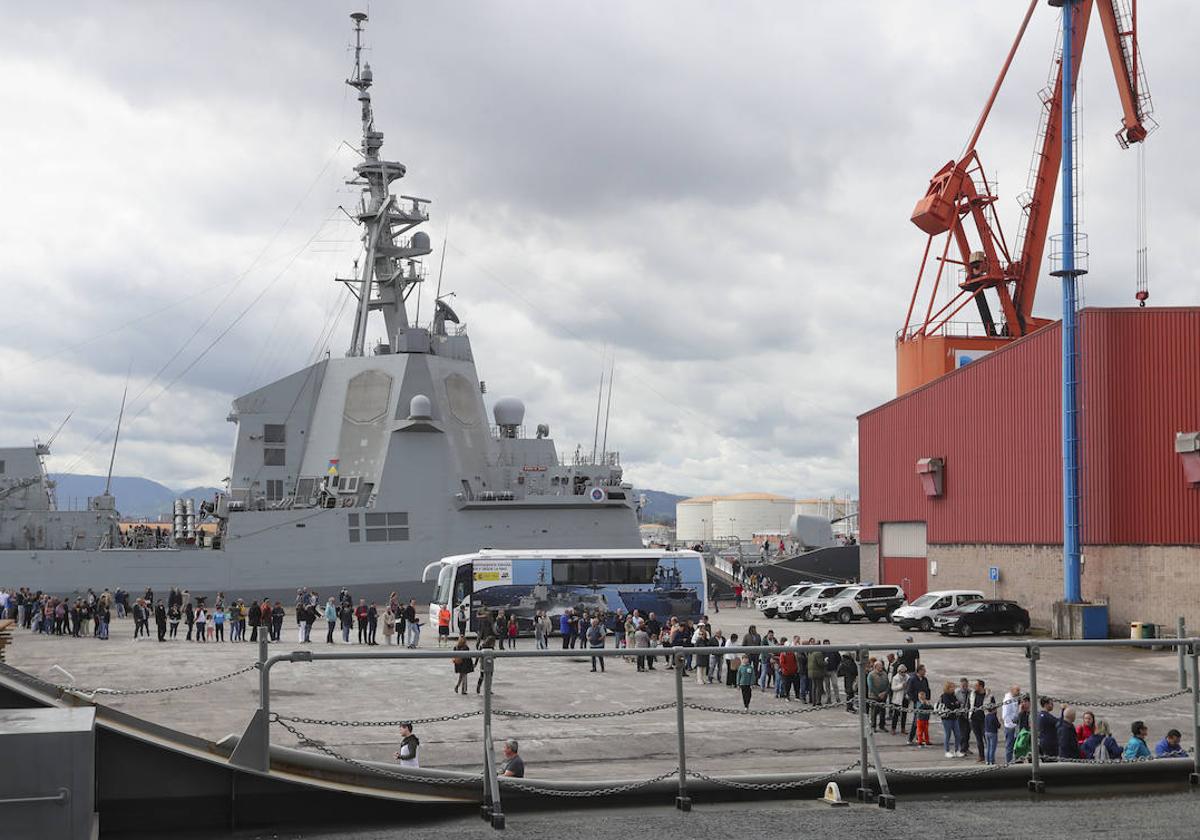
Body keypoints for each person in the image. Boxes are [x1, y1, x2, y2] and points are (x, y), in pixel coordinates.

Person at [938, 681, 963, 758]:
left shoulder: (953, 695)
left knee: (958, 734)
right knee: (947, 734)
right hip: (946, 718)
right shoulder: (944, 696)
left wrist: (955, 704)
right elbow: (949, 705)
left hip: (954, 717)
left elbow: (958, 704)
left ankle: (957, 750)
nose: (954, 689)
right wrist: (955, 704)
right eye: (952, 687)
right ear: (948, 688)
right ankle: (947, 751)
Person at [867, 660, 890, 733]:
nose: (881, 667)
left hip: (883, 696)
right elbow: (871, 686)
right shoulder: (871, 675)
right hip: (874, 696)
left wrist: (885, 692)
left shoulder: (884, 674)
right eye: (880, 666)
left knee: (883, 711)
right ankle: (873, 726)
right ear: (875, 666)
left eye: (882, 666)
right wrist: (878, 694)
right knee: (874, 712)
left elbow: (888, 684)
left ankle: (882, 725)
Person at [1001, 684, 1021, 764]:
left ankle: (1017, 760)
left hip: (1015, 724)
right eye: (1017, 690)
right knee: (1009, 745)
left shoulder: (1015, 698)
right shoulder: (1008, 700)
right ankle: (1008, 762)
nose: (1019, 692)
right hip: (1010, 726)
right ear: (1012, 690)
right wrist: (1011, 722)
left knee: (1017, 745)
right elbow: (1005, 715)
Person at [889, 665, 908, 733]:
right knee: (896, 714)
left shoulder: (907, 677)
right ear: (899, 672)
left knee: (904, 714)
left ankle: (903, 728)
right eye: (902, 672)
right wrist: (901, 686)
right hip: (898, 698)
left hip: (905, 697)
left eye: (905, 671)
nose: (904, 673)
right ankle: (893, 729)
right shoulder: (895, 678)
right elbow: (893, 688)